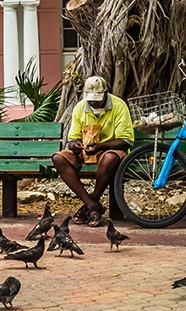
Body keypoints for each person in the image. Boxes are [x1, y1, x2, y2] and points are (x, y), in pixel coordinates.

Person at [51, 76, 134, 227]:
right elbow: (72, 139)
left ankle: (91, 203)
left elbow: (126, 140)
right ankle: (92, 205)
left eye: (97, 98)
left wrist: (101, 146)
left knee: (109, 158)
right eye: (90, 99)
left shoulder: (118, 105)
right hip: (86, 152)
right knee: (58, 158)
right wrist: (75, 145)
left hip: (111, 151)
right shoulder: (80, 107)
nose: (93, 102)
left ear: (105, 93)